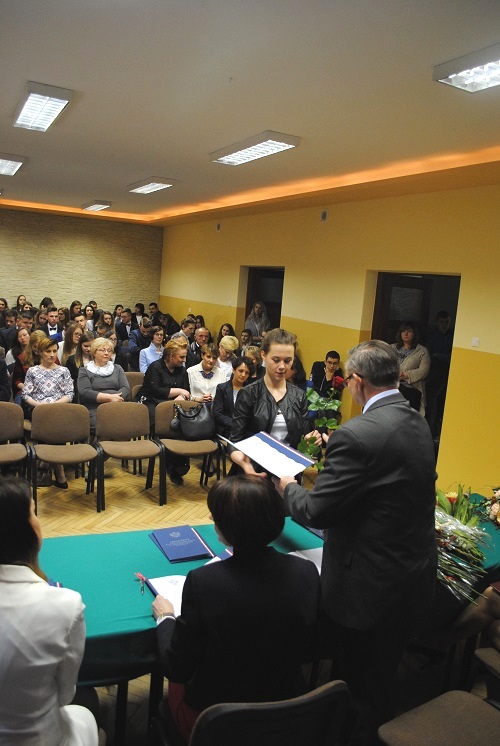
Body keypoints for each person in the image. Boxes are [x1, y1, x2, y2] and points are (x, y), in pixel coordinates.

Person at [276, 340, 437, 745]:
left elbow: (316, 511)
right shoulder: (416, 420)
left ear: (358, 381)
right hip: (410, 575)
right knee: (381, 674)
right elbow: (384, 478)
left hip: (368, 588)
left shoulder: (357, 434)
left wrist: (288, 485)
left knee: (361, 688)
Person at [152, 476, 321, 742]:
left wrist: (165, 618)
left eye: (216, 513)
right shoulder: (306, 571)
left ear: (229, 525)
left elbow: (176, 667)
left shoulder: (203, 582)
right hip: (288, 716)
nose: (210, 516)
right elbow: (309, 649)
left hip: (216, 723)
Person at [0, 478, 99, 745]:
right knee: (86, 710)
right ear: (27, 529)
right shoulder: (65, 605)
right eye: (34, 511)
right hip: (40, 738)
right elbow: (65, 694)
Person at [230, 328, 321, 475]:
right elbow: (235, 440)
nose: (282, 366)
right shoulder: (249, 393)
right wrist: (239, 457)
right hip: (253, 473)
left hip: (286, 474)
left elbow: (304, 436)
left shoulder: (299, 396)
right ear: (263, 355)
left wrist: (311, 439)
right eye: (276, 360)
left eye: (288, 361)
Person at [22, 337, 75, 488]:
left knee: (56, 421)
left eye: (54, 351)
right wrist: (40, 406)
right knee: (50, 422)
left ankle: (45, 466)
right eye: (48, 351)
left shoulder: (63, 371)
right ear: (40, 352)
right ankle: (59, 469)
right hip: (38, 409)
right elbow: (26, 395)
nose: (52, 355)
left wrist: (54, 405)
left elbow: (70, 394)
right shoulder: (33, 371)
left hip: (59, 409)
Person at [138, 340, 190, 484]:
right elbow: (156, 390)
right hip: (151, 403)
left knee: (182, 424)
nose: (184, 360)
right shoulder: (155, 367)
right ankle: (170, 465)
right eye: (181, 357)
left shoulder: (182, 370)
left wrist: (181, 396)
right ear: (171, 356)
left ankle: (178, 465)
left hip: (173, 404)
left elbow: (187, 391)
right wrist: (179, 391)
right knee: (166, 425)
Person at [77, 337, 130, 430]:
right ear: (94, 352)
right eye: (102, 350)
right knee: (105, 426)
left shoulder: (117, 368)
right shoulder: (84, 370)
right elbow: (85, 392)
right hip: (95, 408)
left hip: (117, 405)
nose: (106, 353)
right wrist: (110, 398)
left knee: (128, 423)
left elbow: (125, 388)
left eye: (109, 350)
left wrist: (115, 399)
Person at [391, 321, 431, 415]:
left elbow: (424, 370)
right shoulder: (392, 347)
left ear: (414, 334)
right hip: (392, 385)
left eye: (409, 331)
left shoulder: (422, 351)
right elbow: (383, 363)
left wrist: (406, 375)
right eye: (403, 331)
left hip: (411, 388)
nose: (406, 334)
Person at [213, 356, 251, 439]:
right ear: (233, 370)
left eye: (247, 373)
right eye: (240, 371)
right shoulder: (222, 388)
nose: (243, 375)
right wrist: (235, 423)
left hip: (245, 430)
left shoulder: (251, 390)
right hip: (227, 428)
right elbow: (217, 414)